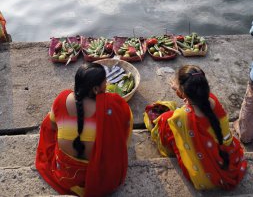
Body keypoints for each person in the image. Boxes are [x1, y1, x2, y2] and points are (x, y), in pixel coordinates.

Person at [36, 63, 133, 197]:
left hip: (65, 175)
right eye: (105, 81)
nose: (107, 83)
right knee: (123, 115)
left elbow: (52, 127)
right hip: (99, 178)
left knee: (50, 118)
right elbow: (123, 128)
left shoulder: (61, 99)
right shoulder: (110, 105)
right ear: (95, 89)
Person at [144, 65, 247, 190]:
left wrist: (179, 93)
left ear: (182, 93)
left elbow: (179, 117)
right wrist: (181, 90)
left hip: (206, 176)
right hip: (228, 159)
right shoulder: (213, 100)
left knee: (164, 120)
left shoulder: (182, 116)